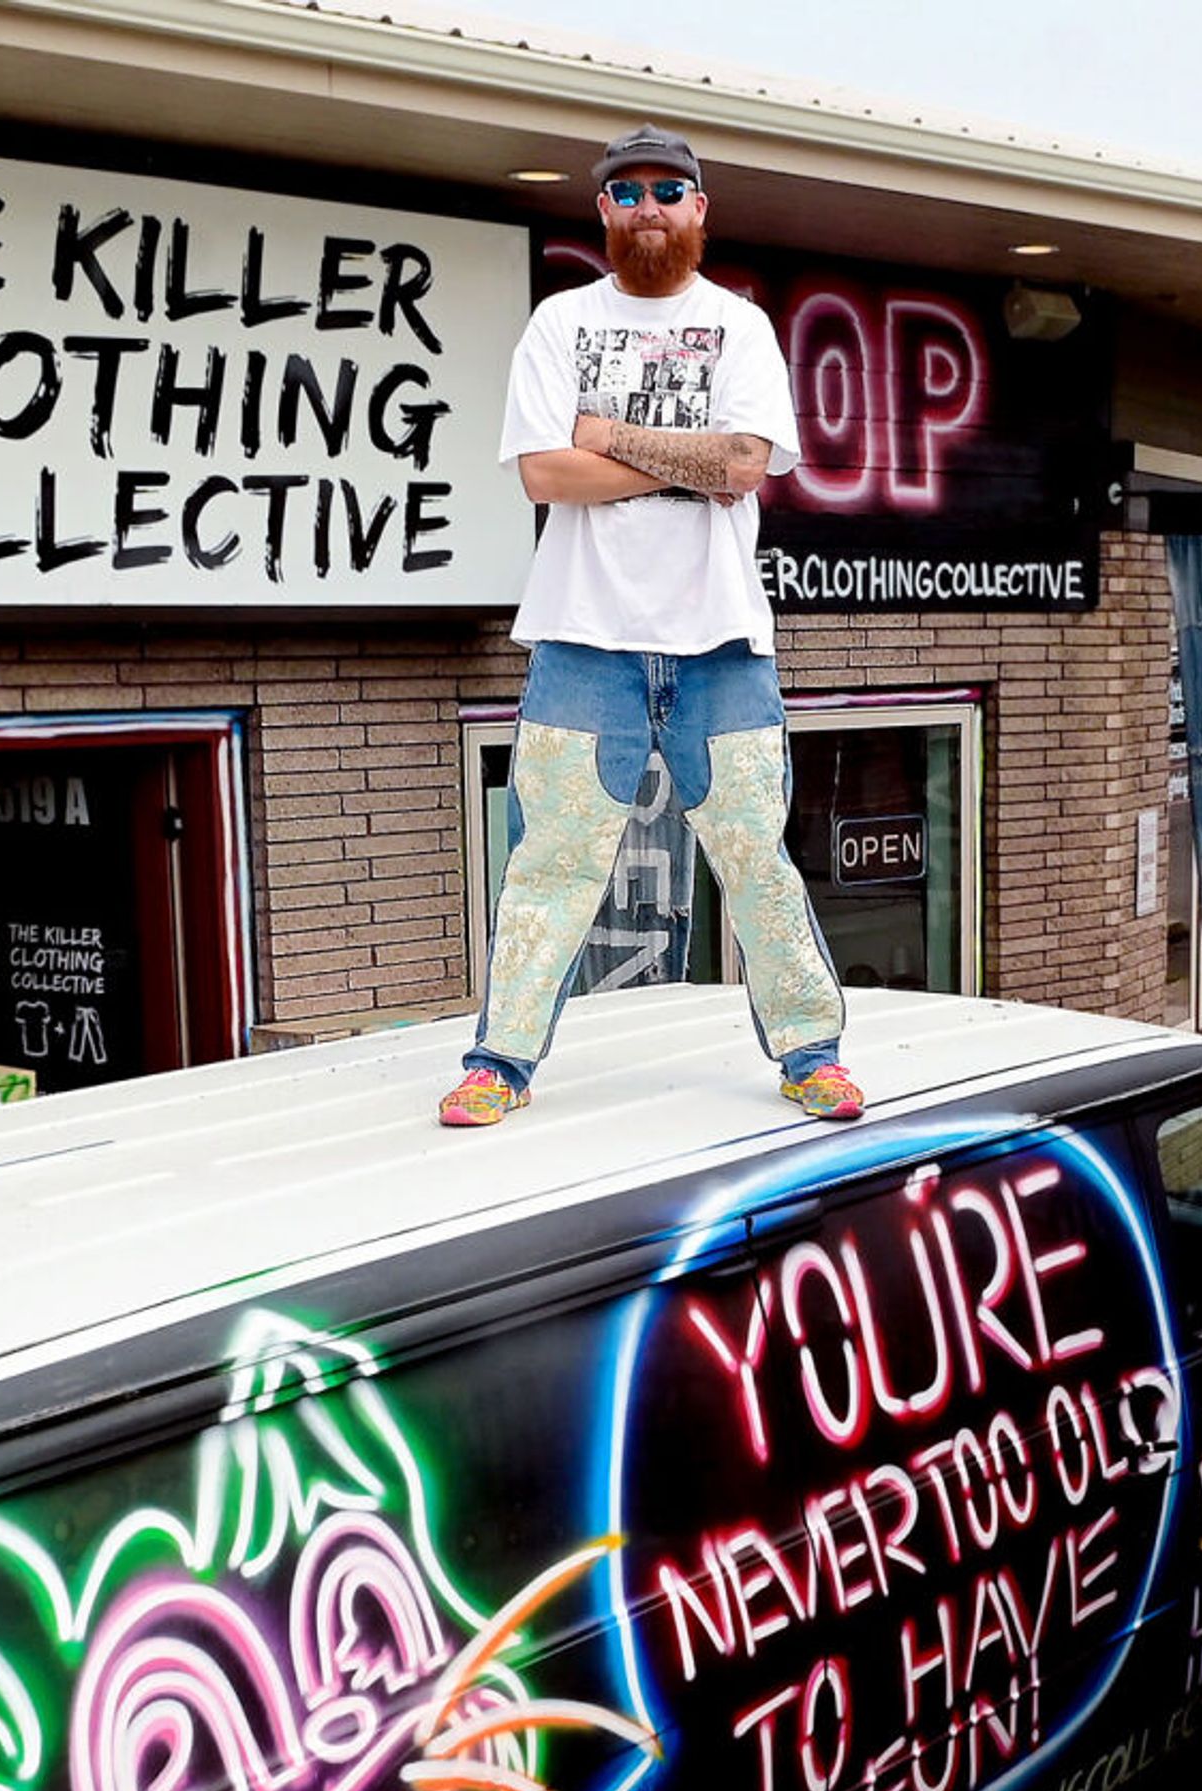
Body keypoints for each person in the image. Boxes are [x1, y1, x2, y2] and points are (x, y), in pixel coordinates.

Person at [445, 125, 860, 1129]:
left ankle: (811, 1052)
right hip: (581, 638)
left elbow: (747, 464)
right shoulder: (557, 324)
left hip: (721, 641)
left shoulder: (743, 329)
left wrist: (605, 437)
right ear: (602, 212)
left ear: (700, 208)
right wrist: (692, 458)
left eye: (669, 190)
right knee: (548, 860)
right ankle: (500, 1060)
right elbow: (546, 473)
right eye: (627, 193)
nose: (649, 208)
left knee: (757, 854)